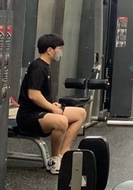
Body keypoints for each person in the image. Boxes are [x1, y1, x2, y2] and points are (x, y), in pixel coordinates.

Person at [16, 33, 87, 174]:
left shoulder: (45, 66)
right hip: (28, 116)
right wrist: (52, 109)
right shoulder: (38, 67)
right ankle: (54, 161)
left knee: (80, 113)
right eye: (59, 48)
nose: (61, 52)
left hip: (41, 111)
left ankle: (63, 154)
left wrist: (51, 104)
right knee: (61, 121)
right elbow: (33, 95)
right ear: (50, 50)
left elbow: (40, 96)